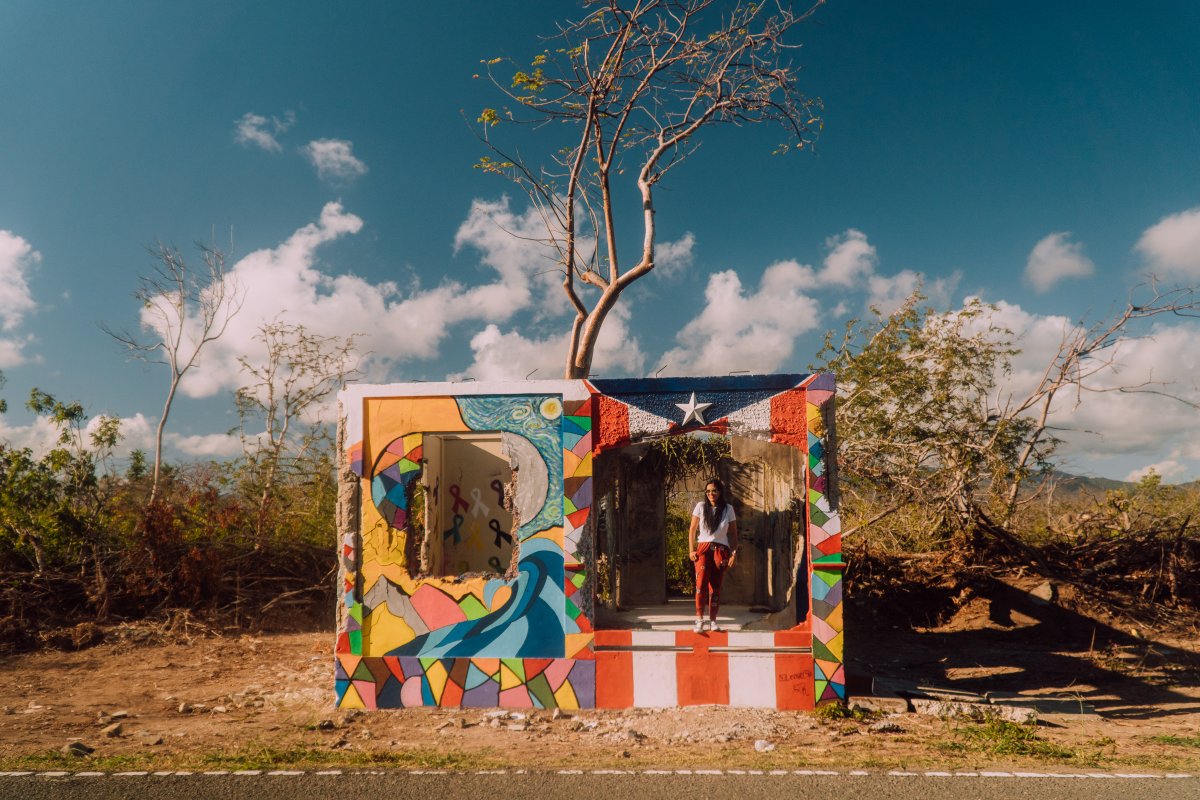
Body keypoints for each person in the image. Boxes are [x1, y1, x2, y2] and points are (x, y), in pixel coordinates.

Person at [688, 478, 738, 633]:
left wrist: (733, 553)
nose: (711, 494)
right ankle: (699, 620)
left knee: (715, 587)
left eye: (714, 491)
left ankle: (713, 620)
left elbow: (734, 534)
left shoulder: (728, 509)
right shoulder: (701, 507)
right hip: (703, 548)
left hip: (721, 550)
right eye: (708, 491)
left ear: (720, 492)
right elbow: (692, 530)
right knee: (701, 583)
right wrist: (691, 550)